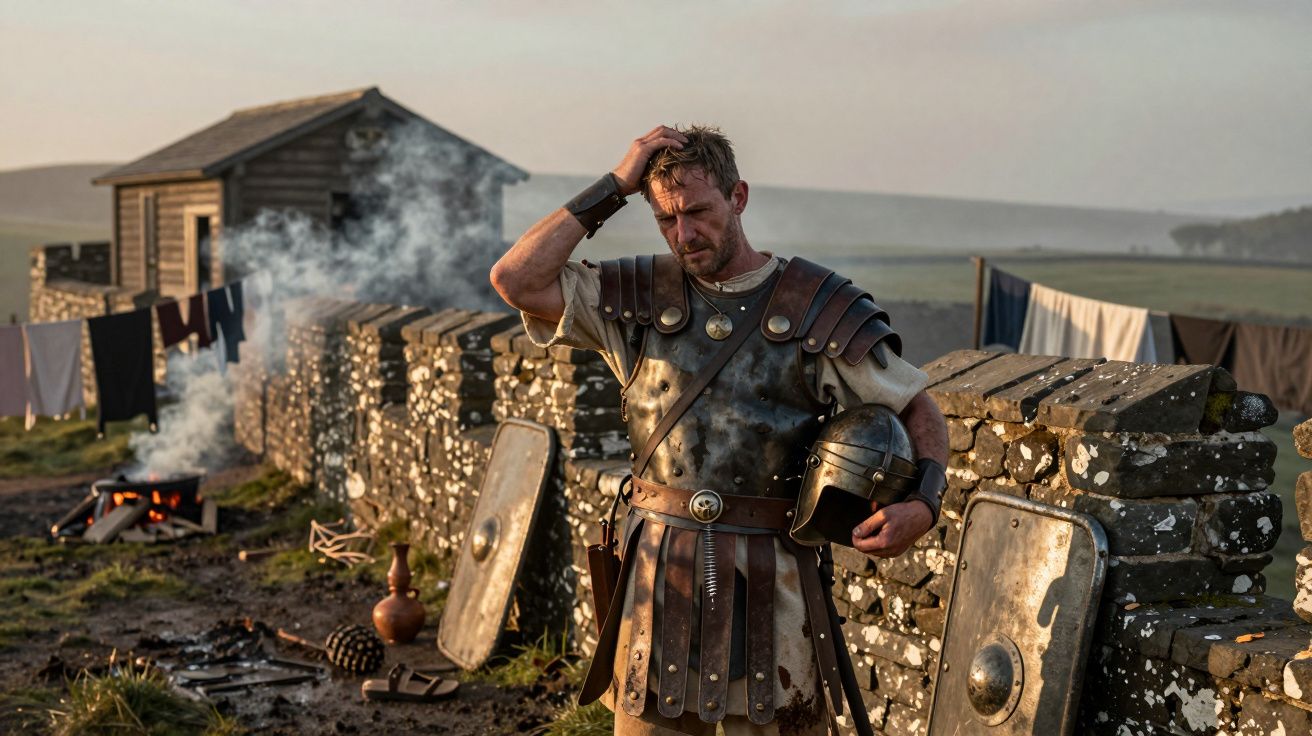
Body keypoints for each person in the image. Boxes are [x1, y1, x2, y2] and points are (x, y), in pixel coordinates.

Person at [491, 125, 948, 736]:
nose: (684, 234)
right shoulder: (635, 298)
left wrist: (924, 501)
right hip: (656, 577)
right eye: (665, 219)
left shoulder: (815, 306)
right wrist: (616, 186)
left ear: (738, 197)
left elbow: (918, 407)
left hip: (775, 585)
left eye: (699, 212)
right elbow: (516, 280)